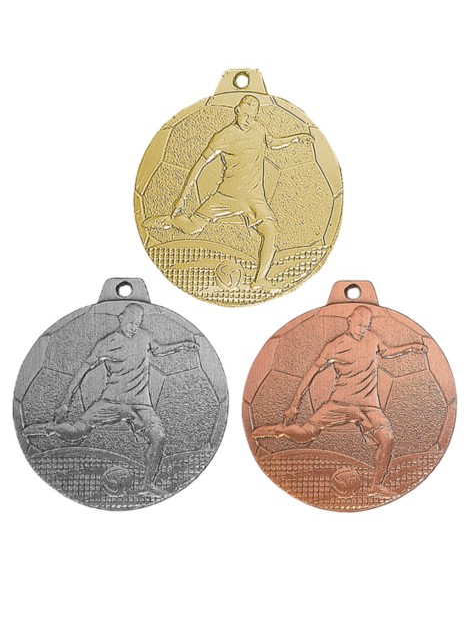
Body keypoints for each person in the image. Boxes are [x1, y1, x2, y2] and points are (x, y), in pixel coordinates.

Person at [251, 306, 427, 496]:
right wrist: (294, 404)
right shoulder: (335, 346)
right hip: (341, 404)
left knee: (387, 439)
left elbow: (387, 351)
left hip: (369, 407)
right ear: (349, 321)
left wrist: (411, 347)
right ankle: (280, 430)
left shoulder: (372, 338)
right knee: (304, 435)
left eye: (366, 326)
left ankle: (375, 486)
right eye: (359, 325)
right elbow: (311, 373)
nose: (362, 330)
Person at [23, 303, 199, 495]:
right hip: (112, 402)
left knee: (159, 437)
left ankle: (147, 485)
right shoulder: (107, 343)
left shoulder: (144, 336)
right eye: (131, 322)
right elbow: (82, 371)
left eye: (138, 323)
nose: (134, 327)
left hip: (140, 405)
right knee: (76, 433)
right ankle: (51, 428)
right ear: (121, 318)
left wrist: (183, 345)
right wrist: (65, 402)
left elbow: (159, 350)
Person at [143, 95, 313, 289]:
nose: (248, 119)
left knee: (270, 231)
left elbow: (273, 142)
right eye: (245, 114)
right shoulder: (224, 136)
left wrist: (296, 138)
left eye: (252, 116)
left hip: (254, 197)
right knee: (192, 228)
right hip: (227, 196)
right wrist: (183, 196)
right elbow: (199, 165)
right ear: (237, 110)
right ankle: (171, 221)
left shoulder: (259, 129)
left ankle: (259, 281)